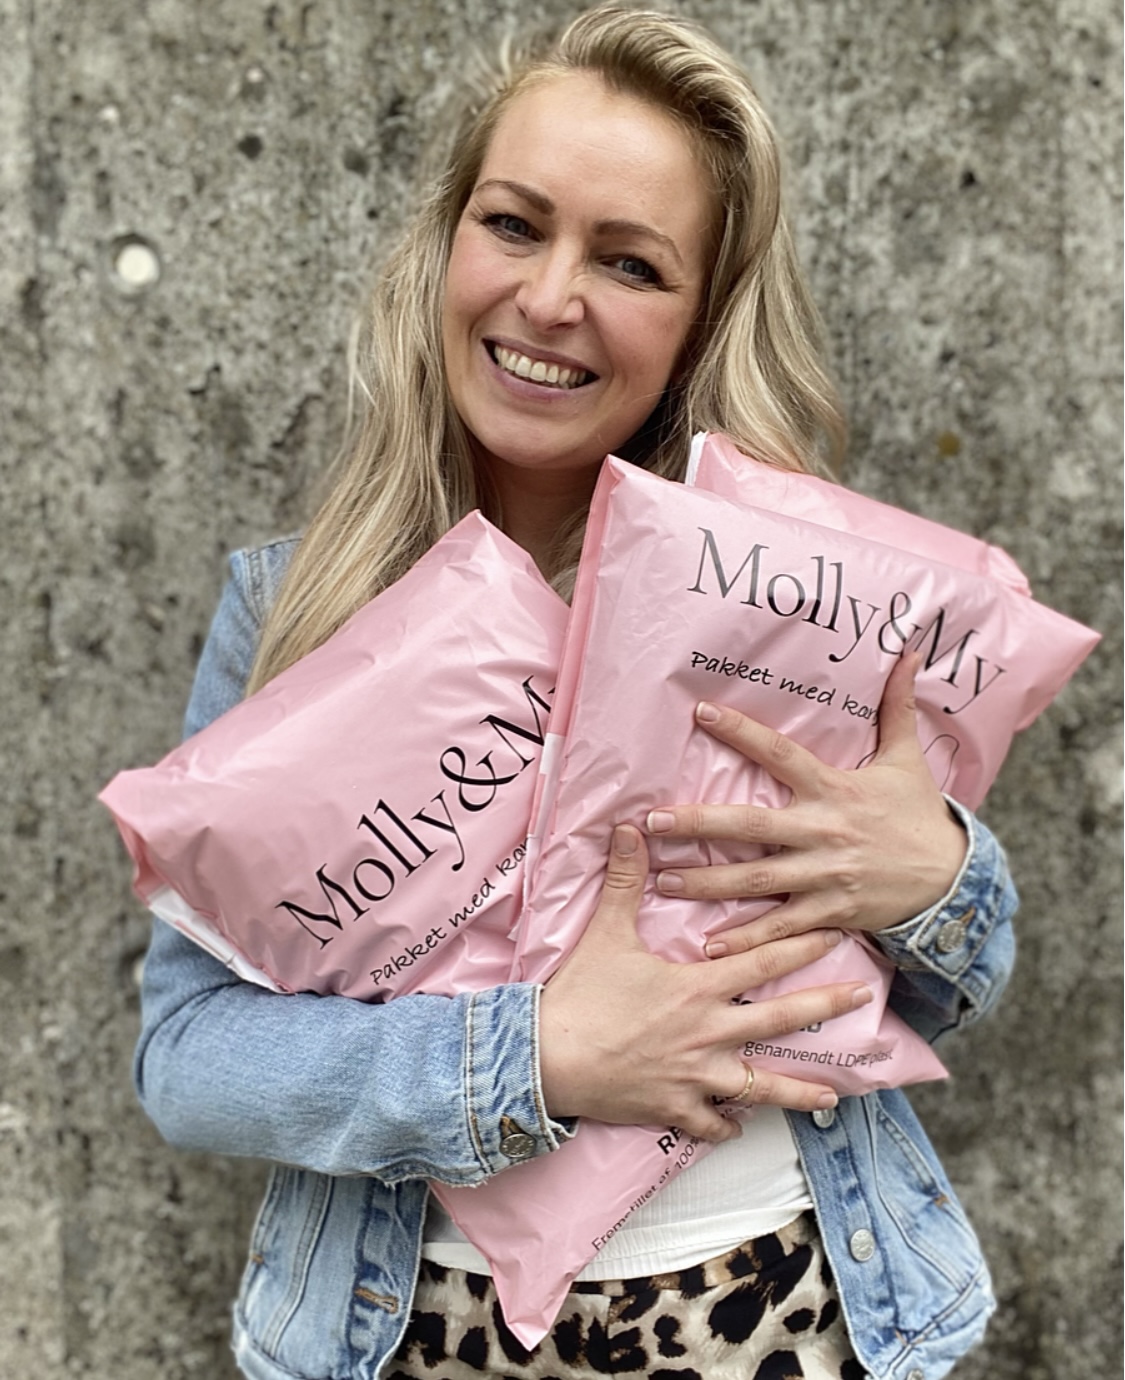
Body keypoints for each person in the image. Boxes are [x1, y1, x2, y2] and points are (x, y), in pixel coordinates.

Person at [133, 7, 1017, 1379]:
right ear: (445, 243)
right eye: (512, 225)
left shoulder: (805, 598)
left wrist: (934, 878)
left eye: (629, 261)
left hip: (798, 1318)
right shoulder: (291, 610)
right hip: (407, 1333)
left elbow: (950, 985)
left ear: (700, 319)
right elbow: (188, 1057)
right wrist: (531, 1057)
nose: (550, 299)